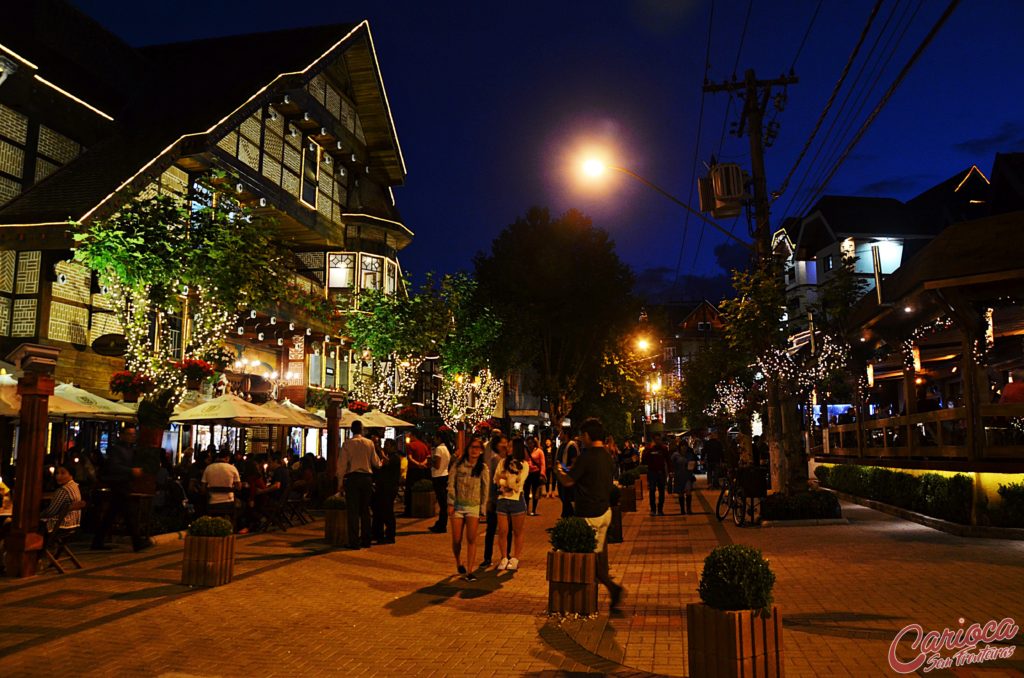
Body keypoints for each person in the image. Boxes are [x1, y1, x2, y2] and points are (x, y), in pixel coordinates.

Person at [554, 417, 624, 614]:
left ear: (587, 435)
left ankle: (608, 590)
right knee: (597, 557)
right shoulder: (607, 456)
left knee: (586, 560)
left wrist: (558, 471)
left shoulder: (587, 455)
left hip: (588, 514)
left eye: (582, 435)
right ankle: (610, 590)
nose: (580, 439)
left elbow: (568, 481)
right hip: (605, 512)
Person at [92, 426, 150, 552]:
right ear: (122, 435)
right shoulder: (116, 449)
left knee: (112, 514)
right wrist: (131, 471)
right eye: (129, 434)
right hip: (118, 484)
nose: (132, 436)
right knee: (129, 513)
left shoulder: (130, 450)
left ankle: (98, 540)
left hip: (124, 483)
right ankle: (137, 542)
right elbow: (114, 466)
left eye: (134, 434)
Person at [447, 434, 489, 581]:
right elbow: (451, 484)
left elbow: (485, 489)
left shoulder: (483, 468)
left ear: (481, 450)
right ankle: (459, 562)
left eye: (478, 447)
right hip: (458, 506)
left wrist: (483, 509)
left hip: (473, 507)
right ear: (468, 448)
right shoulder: (458, 464)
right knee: (457, 539)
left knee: (471, 539)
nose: (474, 450)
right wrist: (450, 503)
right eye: (472, 447)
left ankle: (470, 570)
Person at [338, 419, 380, 549]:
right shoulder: (369, 443)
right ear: (361, 429)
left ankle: (354, 541)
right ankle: (366, 540)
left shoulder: (347, 444)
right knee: (365, 510)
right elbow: (376, 463)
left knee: (353, 511)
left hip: (353, 478)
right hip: (367, 478)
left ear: (351, 430)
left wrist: (340, 482)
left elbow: (342, 465)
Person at [493, 436, 529, 571]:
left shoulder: (524, 464)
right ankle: (503, 557)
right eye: (507, 446)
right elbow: (496, 478)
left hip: (517, 500)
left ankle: (515, 558)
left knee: (517, 531)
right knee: (502, 531)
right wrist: (507, 482)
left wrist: (505, 480)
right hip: (502, 499)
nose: (508, 448)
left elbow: (518, 485)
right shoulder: (502, 462)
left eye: (511, 446)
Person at [480, 432, 511, 568]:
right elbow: (492, 480)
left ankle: (504, 556)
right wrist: (490, 499)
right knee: (493, 528)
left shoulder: (508, 459)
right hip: (497, 498)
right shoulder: (496, 459)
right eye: (501, 443)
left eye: (506, 442)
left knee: (504, 530)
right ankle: (490, 557)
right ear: (496, 445)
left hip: (506, 498)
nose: (504, 445)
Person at [372, 438, 402, 544]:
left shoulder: (395, 458)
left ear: (393, 447)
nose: (385, 447)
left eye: (387, 445)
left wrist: (380, 452)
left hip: (390, 488)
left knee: (388, 511)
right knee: (380, 510)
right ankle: (377, 533)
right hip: (383, 487)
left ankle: (390, 535)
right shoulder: (389, 457)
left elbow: (387, 463)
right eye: (384, 445)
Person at [201, 449, 241, 526]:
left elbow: (203, 489)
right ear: (227, 458)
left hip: (212, 501)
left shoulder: (208, 468)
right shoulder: (232, 468)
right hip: (229, 502)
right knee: (243, 505)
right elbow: (239, 487)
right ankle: (231, 525)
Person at [40, 465, 82, 532]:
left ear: (71, 475)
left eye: (63, 473)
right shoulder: (75, 486)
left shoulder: (63, 490)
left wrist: (38, 515)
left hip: (60, 526)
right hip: (72, 524)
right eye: (57, 473)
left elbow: (51, 511)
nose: (58, 476)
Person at [403, 430, 431, 517]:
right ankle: (419, 509)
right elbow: (428, 457)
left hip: (413, 470)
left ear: (414, 436)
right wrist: (422, 463)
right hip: (422, 470)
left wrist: (418, 464)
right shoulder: (424, 445)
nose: (409, 437)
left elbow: (410, 458)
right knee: (420, 490)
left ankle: (409, 510)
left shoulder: (410, 445)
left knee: (410, 490)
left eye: (410, 436)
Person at [428, 432, 452, 534]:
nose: (434, 440)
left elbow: (437, 465)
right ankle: (441, 523)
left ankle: (442, 525)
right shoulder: (446, 449)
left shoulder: (439, 449)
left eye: (435, 438)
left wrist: (430, 460)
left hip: (438, 476)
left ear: (439, 438)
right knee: (443, 503)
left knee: (442, 504)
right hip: (444, 475)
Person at [555, 428, 579, 518]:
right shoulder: (561, 445)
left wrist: (563, 468)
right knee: (562, 496)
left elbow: (574, 463)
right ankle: (567, 515)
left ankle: (569, 516)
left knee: (567, 497)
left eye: (561, 433)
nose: (559, 435)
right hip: (561, 475)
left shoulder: (571, 446)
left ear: (566, 434)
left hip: (568, 476)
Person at [643, 434, 669, 516]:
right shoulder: (649, 449)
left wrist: (671, 471)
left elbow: (668, 460)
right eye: (656, 439)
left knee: (661, 491)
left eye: (659, 439)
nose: (658, 441)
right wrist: (649, 449)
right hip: (652, 472)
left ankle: (660, 509)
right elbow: (644, 460)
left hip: (661, 472)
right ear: (653, 440)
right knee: (652, 490)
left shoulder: (664, 449)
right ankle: (653, 509)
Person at [524, 436, 545, 516]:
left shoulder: (539, 451)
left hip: (536, 473)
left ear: (534, 443)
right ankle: (526, 509)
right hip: (527, 473)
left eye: (531, 443)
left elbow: (543, 464)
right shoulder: (525, 451)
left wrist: (542, 474)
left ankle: (534, 509)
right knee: (526, 492)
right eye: (528, 443)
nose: (529, 445)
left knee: (535, 491)